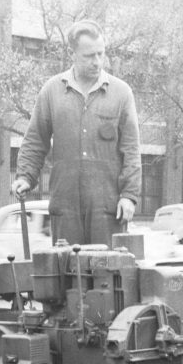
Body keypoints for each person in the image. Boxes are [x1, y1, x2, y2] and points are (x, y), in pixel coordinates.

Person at [12, 19, 140, 247]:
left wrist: (129, 196)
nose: (97, 62)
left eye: (101, 54)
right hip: (66, 208)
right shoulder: (51, 91)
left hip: (108, 210)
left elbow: (131, 150)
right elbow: (35, 141)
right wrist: (25, 176)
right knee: (64, 275)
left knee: (108, 277)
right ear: (73, 54)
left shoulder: (122, 93)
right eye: (89, 56)